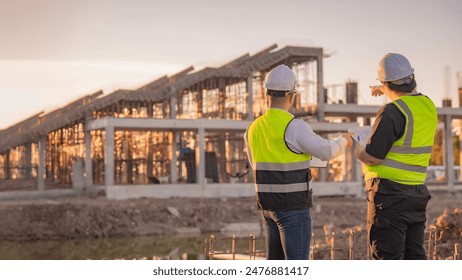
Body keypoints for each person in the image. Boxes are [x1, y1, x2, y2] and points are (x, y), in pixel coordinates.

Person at [244, 64, 353, 260]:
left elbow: (258, 163)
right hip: (292, 208)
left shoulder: (253, 128)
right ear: (292, 95)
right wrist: (345, 140)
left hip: (267, 207)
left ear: (266, 93)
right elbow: (327, 151)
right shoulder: (294, 126)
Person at [355, 53, 437, 260]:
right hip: (416, 194)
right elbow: (408, 99)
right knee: (414, 257)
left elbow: (373, 157)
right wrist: (384, 88)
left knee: (388, 258)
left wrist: (357, 148)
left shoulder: (391, 112)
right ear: (412, 77)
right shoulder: (428, 106)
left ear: (385, 82)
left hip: (389, 197)